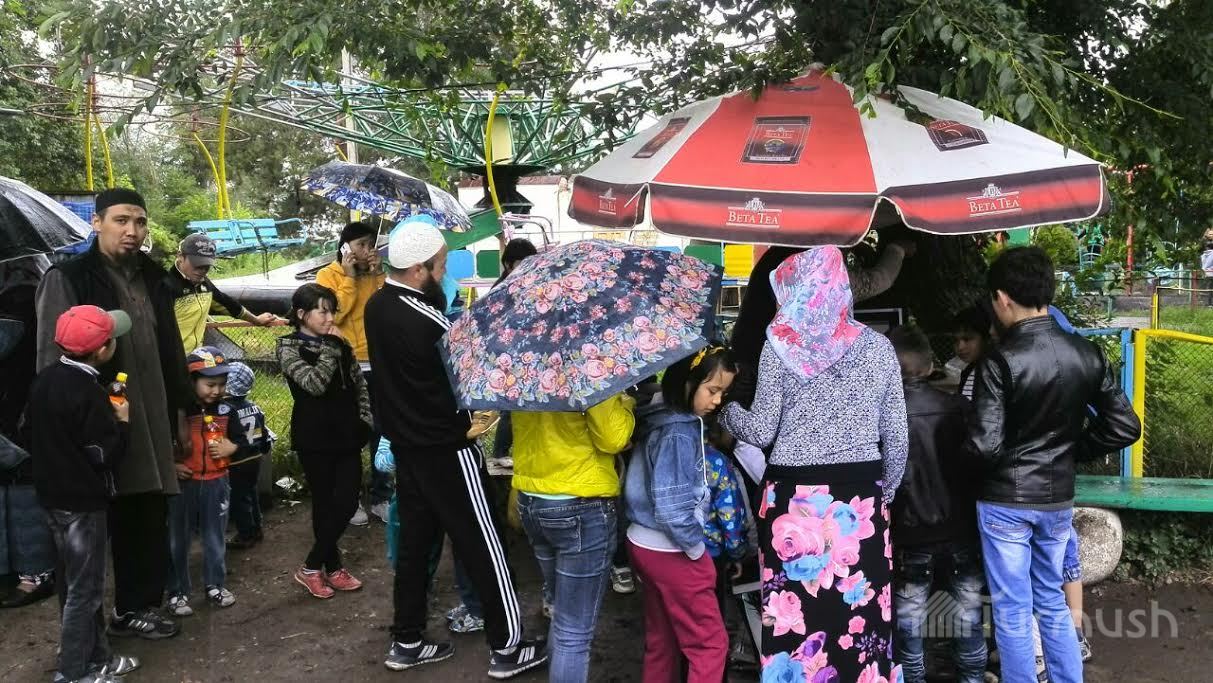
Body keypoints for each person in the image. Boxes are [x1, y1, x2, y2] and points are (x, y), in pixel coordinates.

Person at [364, 216, 546, 678]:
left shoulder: (377, 306)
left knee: (415, 548)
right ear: (419, 269)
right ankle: (508, 647)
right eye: (442, 265)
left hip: (408, 450)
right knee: (486, 544)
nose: (445, 273)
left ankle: (407, 640)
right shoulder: (427, 319)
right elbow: (464, 374)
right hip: (450, 450)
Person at [719, 246, 908, 682]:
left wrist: (726, 412)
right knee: (861, 614)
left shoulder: (780, 347)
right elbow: (897, 438)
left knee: (796, 617)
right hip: (859, 502)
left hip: (794, 501)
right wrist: (883, 495)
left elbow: (761, 431)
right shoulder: (879, 349)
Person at [969, 247, 1141, 683]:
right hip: (1058, 499)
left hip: (1005, 501)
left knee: (1012, 609)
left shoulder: (998, 361)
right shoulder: (1087, 353)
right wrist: (1071, 450)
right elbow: (1125, 426)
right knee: (1051, 600)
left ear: (1002, 298)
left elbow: (985, 447)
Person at [35, 187, 188, 639]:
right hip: (97, 426)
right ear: (97, 222)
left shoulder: (153, 277)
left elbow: (171, 349)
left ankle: (136, 607)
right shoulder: (69, 278)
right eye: (121, 220)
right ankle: (85, 636)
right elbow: (51, 361)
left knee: (148, 512)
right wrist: (68, 433)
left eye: (139, 222)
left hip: (152, 418)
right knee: (96, 528)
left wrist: (181, 411)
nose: (132, 230)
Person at [28, 305, 141, 683]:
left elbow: (27, 430)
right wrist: (120, 423)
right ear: (102, 350)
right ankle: (73, 672)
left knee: (73, 583)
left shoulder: (45, 379)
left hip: (52, 498)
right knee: (86, 591)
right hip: (82, 505)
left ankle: (98, 658)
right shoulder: (88, 392)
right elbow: (104, 455)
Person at [623, 346, 736, 683]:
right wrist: (696, 549)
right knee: (710, 645)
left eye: (723, 393)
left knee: (663, 641)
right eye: (712, 390)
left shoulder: (658, 417)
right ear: (688, 382)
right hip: (672, 548)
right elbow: (673, 508)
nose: (717, 401)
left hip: (643, 542)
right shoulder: (679, 431)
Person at [511, 390, 635, 682]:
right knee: (574, 634)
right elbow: (613, 438)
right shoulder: (590, 370)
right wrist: (626, 405)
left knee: (563, 614)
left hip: (532, 497)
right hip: (580, 503)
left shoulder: (522, 369)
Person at [886, 326, 987, 683]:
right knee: (968, 613)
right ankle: (973, 677)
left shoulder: (884, 416)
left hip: (909, 533)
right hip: (961, 529)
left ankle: (912, 678)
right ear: (930, 366)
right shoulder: (958, 408)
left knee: (909, 619)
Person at [277, 283, 372, 599]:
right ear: (302, 314)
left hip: (347, 435)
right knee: (324, 503)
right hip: (314, 437)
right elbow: (314, 384)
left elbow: (359, 384)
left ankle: (310, 567)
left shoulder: (340, 345)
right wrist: (331, 346)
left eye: (332, 311)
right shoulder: (288, 347)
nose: (330, 318)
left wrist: (365, 419)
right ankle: (331, 568)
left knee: (346, 502)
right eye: (323, 311)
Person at [730, 239, 916, 386]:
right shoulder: (821, 269)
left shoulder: (782, 252)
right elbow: (874, 281)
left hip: (750, 349)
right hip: (771, 362)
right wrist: (897, 249)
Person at [314, 221, 389, 526]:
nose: (367, 250)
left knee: (381, 433)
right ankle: (350, 498)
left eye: (371, 244)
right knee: (348, 435)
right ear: (345, 247)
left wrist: (379, 274)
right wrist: (349, 278)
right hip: (345, 365)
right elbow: (336, 313)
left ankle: (382, 496)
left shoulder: (374, 274)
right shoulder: (327, 276)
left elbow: (386, 309)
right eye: (361, 244)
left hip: (377, 363)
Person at [166, 346, 249, 615]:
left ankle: (215, 585)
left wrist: (232, 448)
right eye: (210, 384)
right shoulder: (177, 411)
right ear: (192, 382)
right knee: (178, 540)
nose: (216, 390)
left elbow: (243, 442)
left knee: (215, 538)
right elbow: (160, 446)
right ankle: (178, 592)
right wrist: (172, 467)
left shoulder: (227, 410)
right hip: (184, 484)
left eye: (222, 384)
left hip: (217, 482)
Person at [0, 257, 56, 610]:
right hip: (14, 410)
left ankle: (36, 573)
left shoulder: (21, 296)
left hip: (20, 414)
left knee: (23, 493)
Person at [167, 233, 279, 354]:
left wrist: (256, 320)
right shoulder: (165, 288)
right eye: (197, 264)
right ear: (180, 256)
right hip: (170, 359)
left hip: (196, 356)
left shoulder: (204, 284)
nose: (202, 270)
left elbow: (228, 304)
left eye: (206, 266)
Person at [223, 362, 273, 550]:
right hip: (255, 458)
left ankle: (245, 534)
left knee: (239, 498)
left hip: (238, 460)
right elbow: (264, 432)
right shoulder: (255, 407)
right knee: (251, 492)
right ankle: (257, 528)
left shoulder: (227, 410)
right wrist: (265, 448)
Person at [952, 304, 993, 400]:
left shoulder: (993, 374)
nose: (960, 347)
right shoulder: (968, 372)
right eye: (955, 340)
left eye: (967, 339)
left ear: (986, 339)